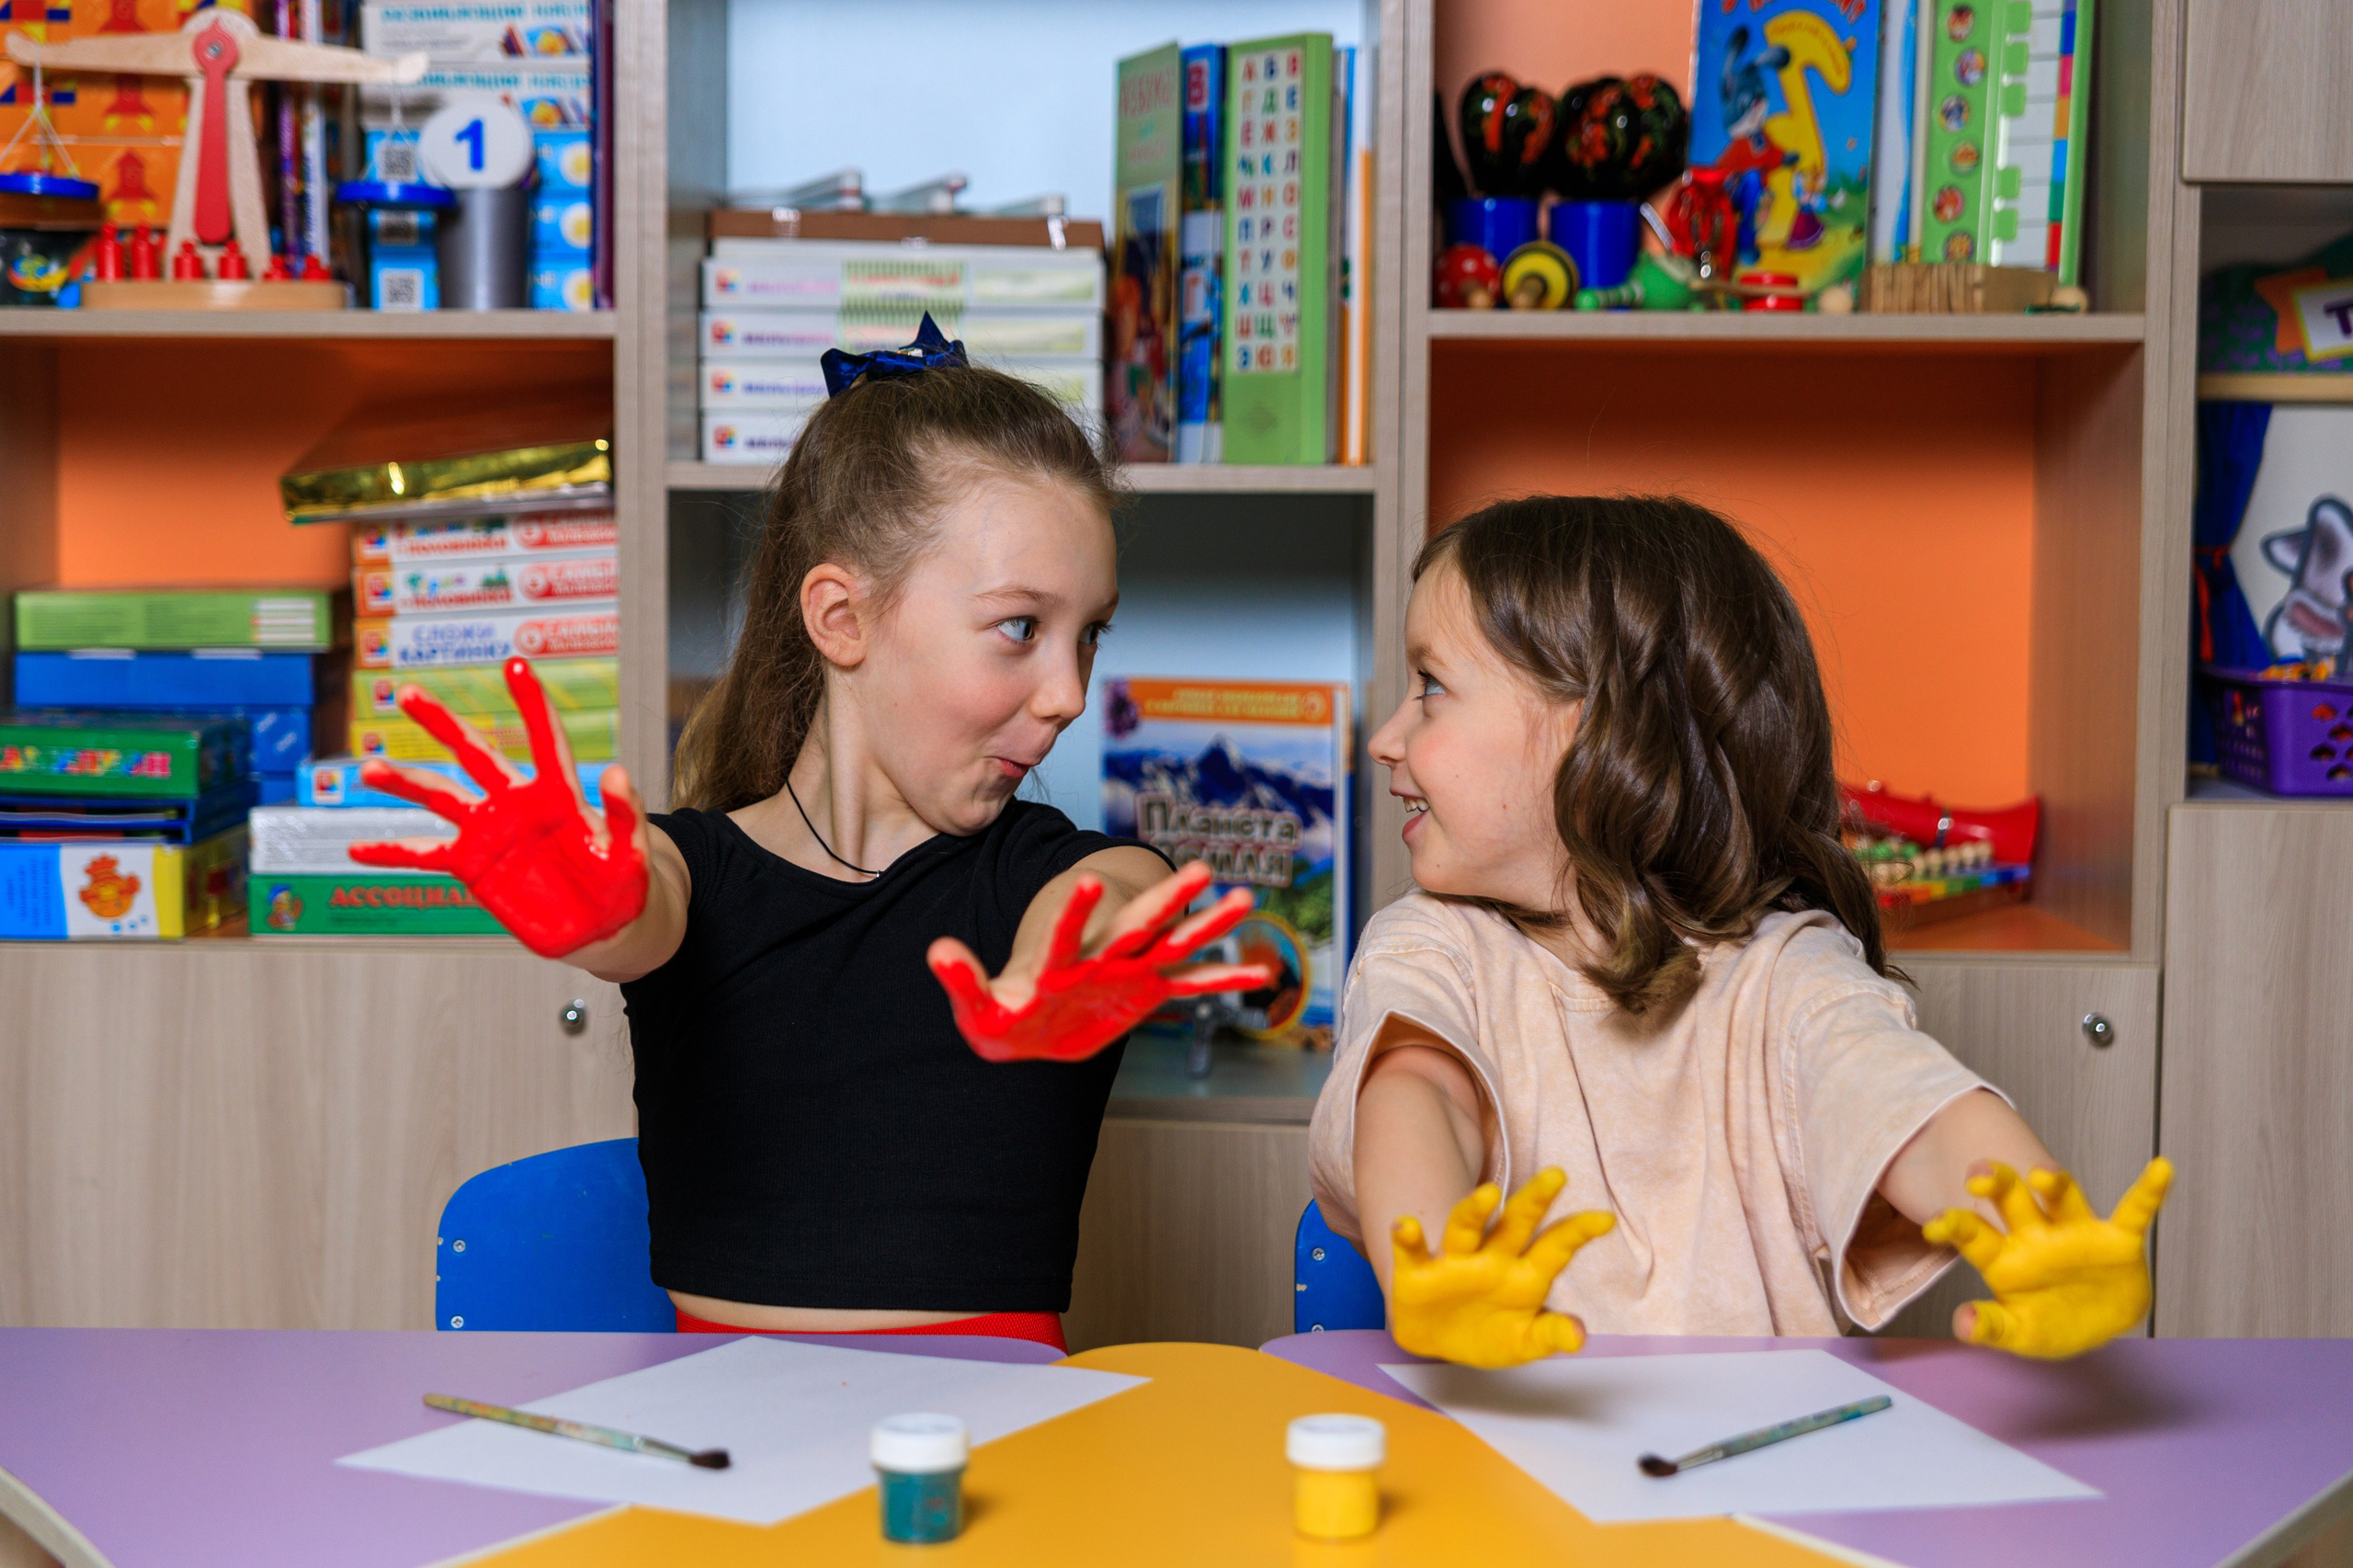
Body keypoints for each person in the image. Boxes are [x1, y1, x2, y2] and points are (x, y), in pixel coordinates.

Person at [351, 322, 1266, 1350]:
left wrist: (1063, 970)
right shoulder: (692, 870)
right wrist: (597, 901)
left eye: (1087, 634)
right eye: (1021, 627)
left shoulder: (1045, 870)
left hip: (999, 1439)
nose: (1066, 693)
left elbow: (1110, 896)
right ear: (841, 618)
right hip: (721, 1441)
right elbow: (641, 901)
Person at [1310, 494, 2171, 1369]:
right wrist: (1433, 1255)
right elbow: (1416, 1095)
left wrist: (2043, 1226)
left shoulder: (1785, 975)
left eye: (1430, 687)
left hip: (1758, 1481)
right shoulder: (1430, 948)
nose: (1385, 738)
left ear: (1595, 733)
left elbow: (1908, 1109)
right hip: (1504, 1459)